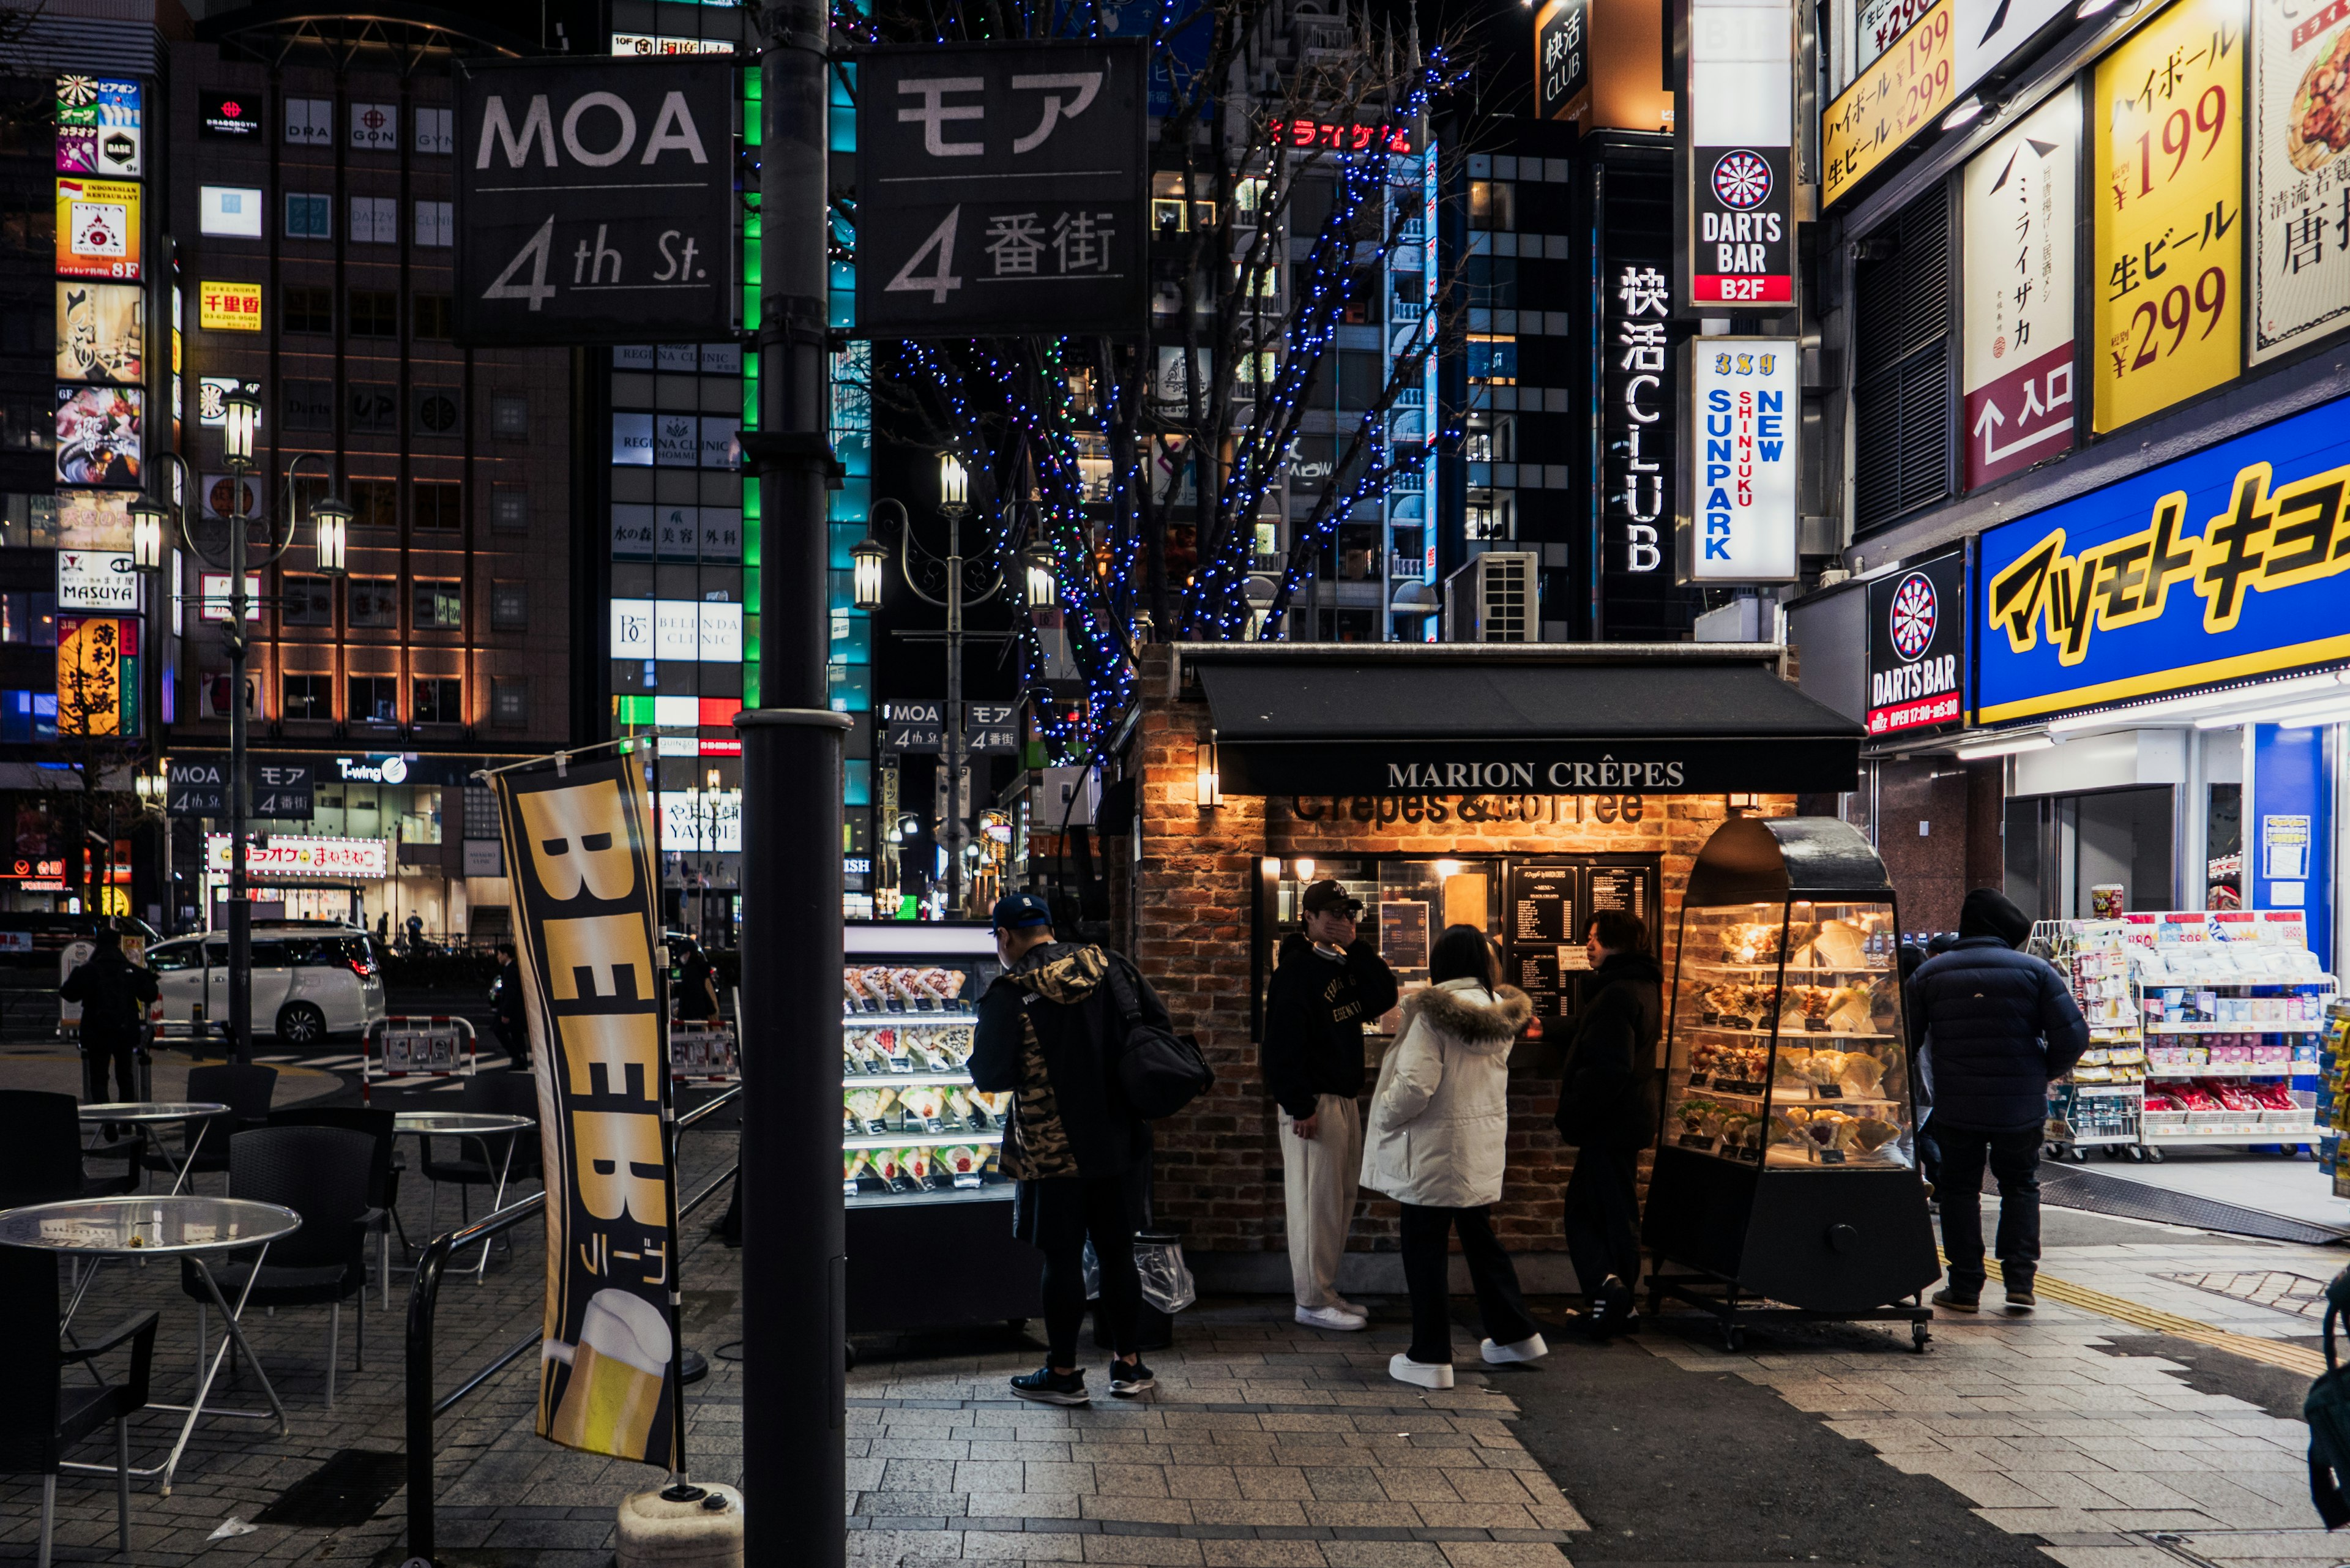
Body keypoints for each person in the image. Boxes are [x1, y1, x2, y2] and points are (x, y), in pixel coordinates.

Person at [971, 890, 1173, 1405]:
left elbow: (991, 1074)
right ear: (1049, 929)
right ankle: (1129, 1366)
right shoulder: (1112, 966)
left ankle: (1063, 1373)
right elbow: (1158, 1027)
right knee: (1117, 1251)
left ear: (1006, 937)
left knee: (1061, 1259)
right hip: (1119, 1139)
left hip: (1051, 1146)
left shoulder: (1009, 992)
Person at [1363, 925, 1545, 1388]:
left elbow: (1414, 1086)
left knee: (1424, 1250)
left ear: (1440, 962)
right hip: (1476, 1150)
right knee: (1480, 1238)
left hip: (1429, 1151)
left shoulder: (1431, 1015)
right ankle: (1516, 1335)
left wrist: (1382, 1115)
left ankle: (1430, 1357)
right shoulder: (1499, 1012)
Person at [1908, 889, 2087, 1313]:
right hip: (2019, 1106)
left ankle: (1966, 1286)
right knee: (2021, 1187)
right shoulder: (2036, 972)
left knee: (1958, 1191)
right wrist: (2041, 1072)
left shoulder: (1932, 974)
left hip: (1957, 1104)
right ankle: (2020, 1283)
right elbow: (2073, 1036)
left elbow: (1906, 1040)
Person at [1261, 879, 1399, 1331]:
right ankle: (1311, 1299)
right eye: (1333, 914)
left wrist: (1357, 949)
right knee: (1314, 1203)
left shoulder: (1342, 966)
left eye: (1348, 914)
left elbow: (1383, 996)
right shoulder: (1295, 973)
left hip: (1341, 1097)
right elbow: (1281, 1047)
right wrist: (1299, 1105)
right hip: (1313, 1103)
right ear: (1309, 916)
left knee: (1339, 1199)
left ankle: (1326, 1290)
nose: (1342, 922)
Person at [1554, 908, 1661, 1339]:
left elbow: (1609, 1066)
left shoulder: (1616, 993)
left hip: (1608, 1122)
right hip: (1627, 1118)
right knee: (1614, 1210)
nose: (1589, 945)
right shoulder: (1642, 985)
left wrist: (1573, 1114)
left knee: (1584, 1212)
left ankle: (1606, 1289)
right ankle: (1623, 1304)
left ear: (1619, 942)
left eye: (1597, 938)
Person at [60, 925, 158, 1107]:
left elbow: (68, 993)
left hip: (96, 1031)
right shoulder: (130, 971)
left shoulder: (88, 971)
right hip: (125, 1030)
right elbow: (150, 994)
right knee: (125, 1075)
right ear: (118, 945)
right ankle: (127, 1120)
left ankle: (107, 1121)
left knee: (98, 1077)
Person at [492, 942, 529, 1069]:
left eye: (499, 954)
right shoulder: (515, 968)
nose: (498, 957)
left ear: (505, 955)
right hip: (517, 1009)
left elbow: (510, 993)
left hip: (512, 1010)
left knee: (498, 1029)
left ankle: (518, 1056)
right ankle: (521, 1061)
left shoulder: (510, 970)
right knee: (517, 1034)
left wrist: (506, 1013)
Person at [675, 933, 721, 1026]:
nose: (681, 958)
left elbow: (695, 996)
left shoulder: (691, 972)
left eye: (683, 954)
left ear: (688, 954)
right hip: (702, 1017)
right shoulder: (701, 970)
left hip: (693, 1021)